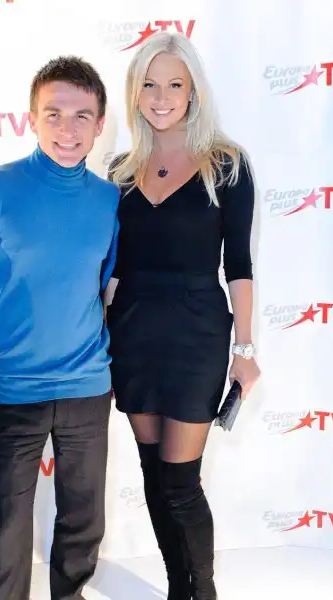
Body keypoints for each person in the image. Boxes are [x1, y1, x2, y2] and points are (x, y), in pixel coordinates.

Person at [0, 56, 120, 600]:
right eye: (53, 114)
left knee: (84, 525)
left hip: (88, 389)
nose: (67, 129)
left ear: (100, 124)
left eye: (82, 116)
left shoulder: (110, 201)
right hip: (11, 391)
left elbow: (107, 292)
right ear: (31, 119)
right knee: (6, 530)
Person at [105, 32, 261, 600]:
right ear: (135, 93)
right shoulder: (120, 171)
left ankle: (203, 592)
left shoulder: (227, 164)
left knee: (180, 482)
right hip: (133, 332)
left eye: (174, 84)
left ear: (193, 90)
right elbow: (112, 270)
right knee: (154, 475)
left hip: (197, 332)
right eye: (149, 85)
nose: (161, 97)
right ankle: (179, 588)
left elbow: (238, 265)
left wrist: (245, 350)